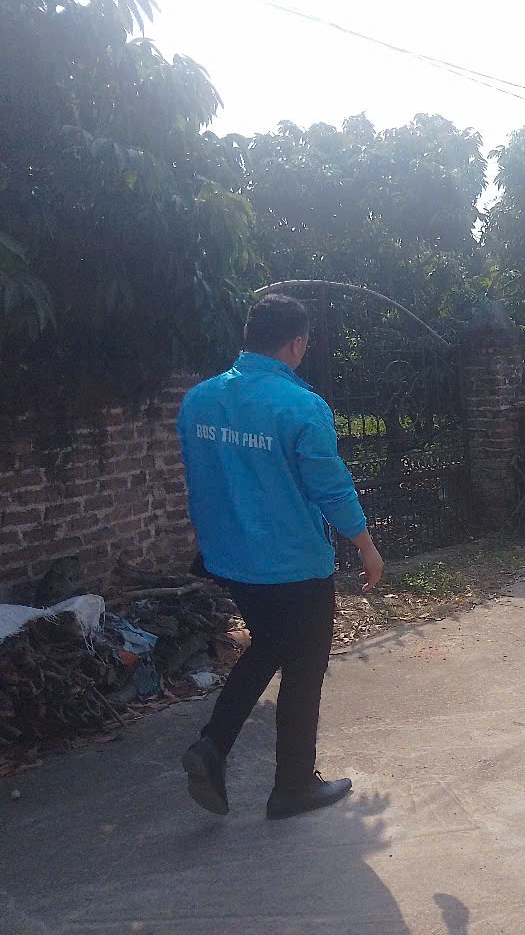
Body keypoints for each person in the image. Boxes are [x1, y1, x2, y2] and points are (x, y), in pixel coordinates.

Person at [176, 294, 384, 820]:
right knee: (305, 666)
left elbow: (199, 479)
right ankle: (293, 784)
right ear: (296, 344)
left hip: (231, 560)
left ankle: (212, 745)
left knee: (268, 644)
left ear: (248, 336)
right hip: (294, 563)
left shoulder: (198, 401)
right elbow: (330, 488)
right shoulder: (300, 406)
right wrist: (365, 546)